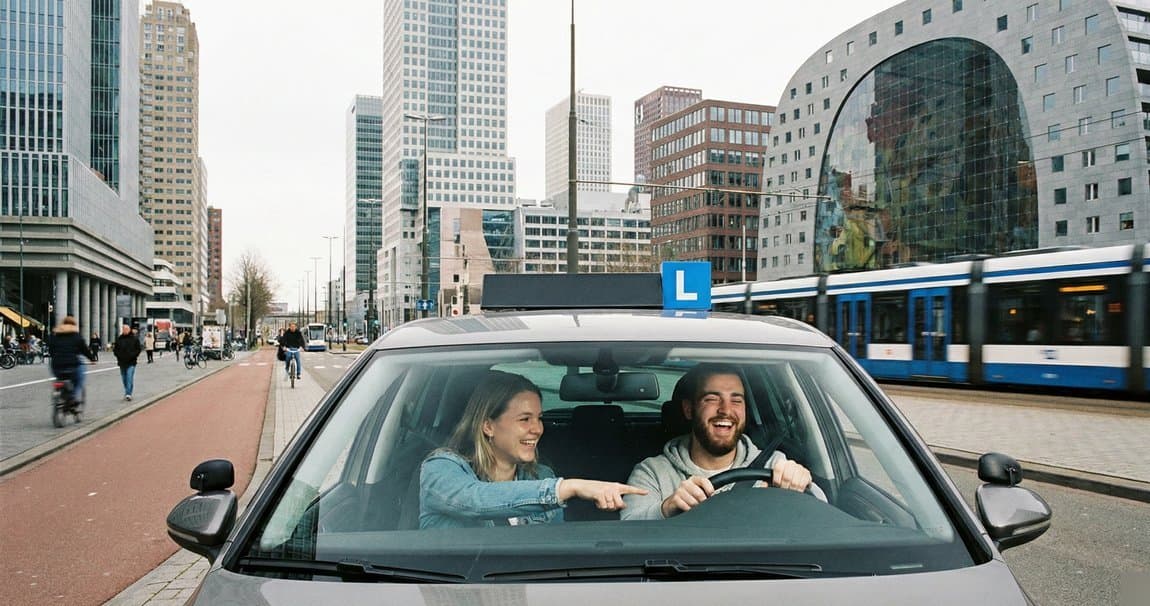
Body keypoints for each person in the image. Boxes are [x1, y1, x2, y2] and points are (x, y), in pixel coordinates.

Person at [419, 370, 647, 529]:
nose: (537, 429)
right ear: (488, 425)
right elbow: (475, 501)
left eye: (539, 418)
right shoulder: (441, 468)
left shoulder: (541, 476)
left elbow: (554, 547)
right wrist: (569, 487)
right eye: (524, 419)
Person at [621, 363, 823, 520]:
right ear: (689, 409)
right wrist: (667, 508)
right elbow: (630, 527)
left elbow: (822, 517)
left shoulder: (775, 466)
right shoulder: (652, 472)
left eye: (736, 400)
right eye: (712, 398)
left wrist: (803, 484)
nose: (726, 410)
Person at [49, 316, 96, 402]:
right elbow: (85, 350)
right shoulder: (76, 336)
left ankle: (59, 393)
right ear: (74, 325)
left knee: (59, 378)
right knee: (79, 378)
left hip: (56, 365)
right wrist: (92, 359)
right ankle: (73, 396)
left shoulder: (55, 335)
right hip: (72, 365)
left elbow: (51, 350)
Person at [113, 325, 142, 401]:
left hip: (131, 362)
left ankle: (128, 394)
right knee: (124, 379)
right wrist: (118, 355)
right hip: (122, 362)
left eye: (126, 329)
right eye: (123, 329)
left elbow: (138, 349)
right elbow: (115, 350)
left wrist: (133, 355)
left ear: (129, 330)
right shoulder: (119, 339)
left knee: (129, 378)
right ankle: (127, 391)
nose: (125, 330)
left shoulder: (134, 339)